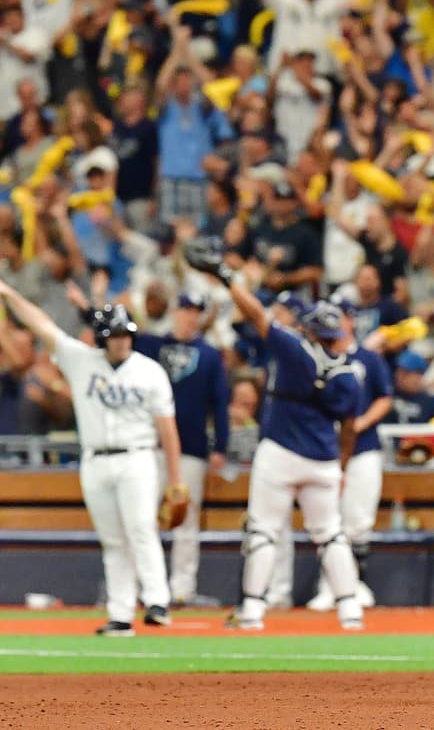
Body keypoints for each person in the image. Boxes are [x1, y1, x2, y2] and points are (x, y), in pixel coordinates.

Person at [0, 270, 184, 637]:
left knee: (140, 529)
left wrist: (176, 478)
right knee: (113, 540)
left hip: (137, 456)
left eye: (125, 335)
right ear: (103, 338)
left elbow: (167, 428)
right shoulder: (81, 360)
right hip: (95, 459)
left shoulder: (150, 371)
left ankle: (157, 601)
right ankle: (121, 614)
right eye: (115, 336)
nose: (121, 342)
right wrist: (8, 292)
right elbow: (42, 324)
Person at [183, 240, 364, 631]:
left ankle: (252, 611)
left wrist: (227, 276)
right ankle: (350, 609)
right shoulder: (350, 373)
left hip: (281, 452)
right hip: (324, 457)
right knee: (330, 534)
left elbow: (255, 314)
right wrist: (343, 465)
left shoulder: (299, 351)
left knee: (263, 530)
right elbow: (349, 428)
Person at [133, 292, 231, 607]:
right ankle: (141, 586)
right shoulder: (152, 345)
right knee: (143, 517)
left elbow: (220, 402)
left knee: (185, 520)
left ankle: (181, 588)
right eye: (185, 309)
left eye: (195, 311)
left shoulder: (210, 355)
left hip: (191, 447)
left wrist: (221, 445)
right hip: (151, 445)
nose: (189, 316)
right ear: (174, 311)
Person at [306, 300, 393, 612]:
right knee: (329, 519)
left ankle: (354, 583)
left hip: (364, 447)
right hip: (326, 448)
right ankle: (329, 585)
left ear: (350, 320)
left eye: (341, 317)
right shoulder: (316, 357)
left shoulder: (367, 358)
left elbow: (385, 398)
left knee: (358, 521)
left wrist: (360, 423)